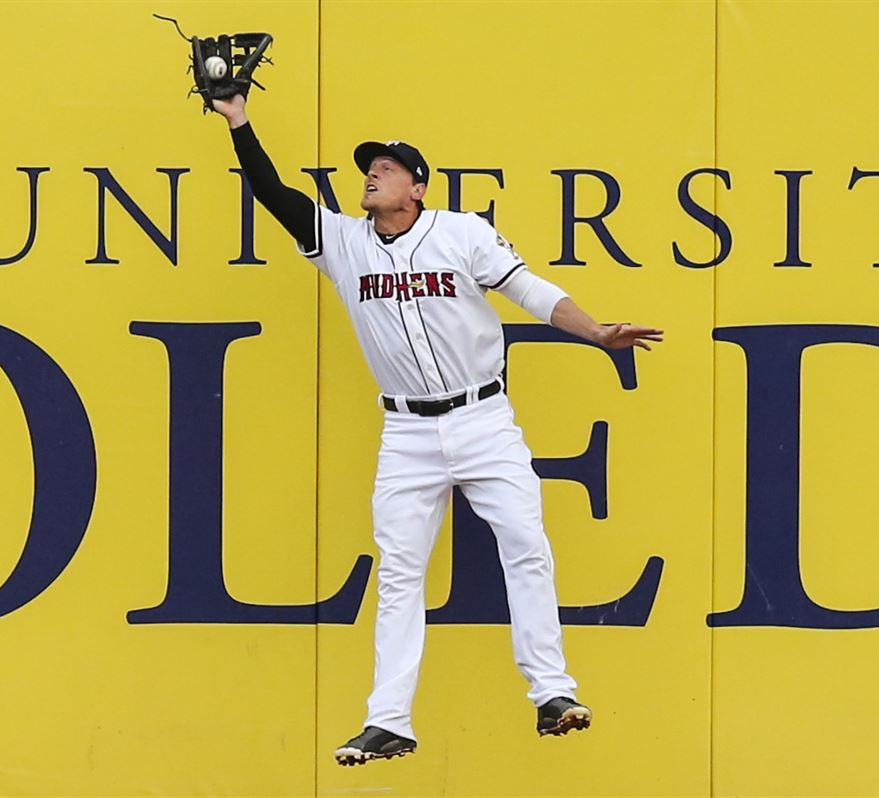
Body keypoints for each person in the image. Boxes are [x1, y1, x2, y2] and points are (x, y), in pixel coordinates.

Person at [211, 92, 663, 766]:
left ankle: (552, 692)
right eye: (369, 168)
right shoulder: (343, 243)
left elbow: (531, 291)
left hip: (483, 419)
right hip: (407, 436)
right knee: (399, 573)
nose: (372, 175)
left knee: (526, 545)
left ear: (417, 187)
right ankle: (388, 719)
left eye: (388, 169)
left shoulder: (461, 232)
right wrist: (238, 122)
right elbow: (274, 194)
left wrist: (596, 332)